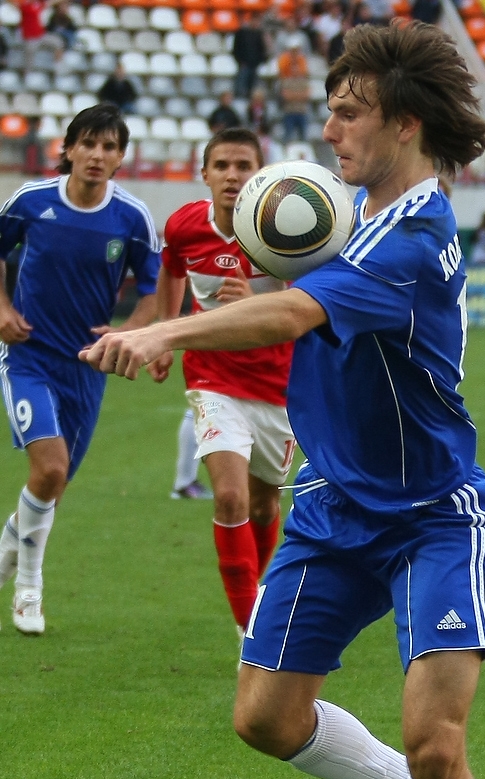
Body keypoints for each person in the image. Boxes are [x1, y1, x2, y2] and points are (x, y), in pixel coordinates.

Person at [80, 22, 485, 779]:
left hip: (436, 514)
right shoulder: (351, 215)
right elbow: (294, 280)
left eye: (349, 114)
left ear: (403, 123)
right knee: (266, 719)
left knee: (437, 742)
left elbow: (298, 308)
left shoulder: (417, 235)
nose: (331, 129)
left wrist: (166, 333)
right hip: (334, 505)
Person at [0, 103, 160, 634]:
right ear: (68, 149)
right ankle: (29, 591)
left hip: (87, 370)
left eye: (109, 146)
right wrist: (2, 308)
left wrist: (128, 333)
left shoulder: (131, 218)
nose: (97, 154)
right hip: (28, 357)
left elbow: (152, 294)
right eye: (88, 143)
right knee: (49, 470)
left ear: (120, 158)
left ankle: (5, 562)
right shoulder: (31, 201)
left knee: (53, 485)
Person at [151, 127, 295, 635]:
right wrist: (164, 335)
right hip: (212, 378)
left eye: (243, 166)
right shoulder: (185, 226)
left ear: (261, 174)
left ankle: (252, 595)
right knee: (230, 498)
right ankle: (249, 631)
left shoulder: (287, 230)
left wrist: (256, 305)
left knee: (264, 506)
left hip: (279, 387)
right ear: (205, 174)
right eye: (222, 166)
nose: (233, 176)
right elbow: (171, 271)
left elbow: (311, 302)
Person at [277, 35, 311, 144]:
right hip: (289, 111)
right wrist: (299, 95)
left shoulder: (303, 79)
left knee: (304, 138)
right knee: (288, 137)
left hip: (301, 111)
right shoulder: (284, 61)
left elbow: (307, 95)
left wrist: (293, 95)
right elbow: (286, 96)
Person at [232, 12, 268, 100]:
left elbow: (263, 50)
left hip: (255, 64)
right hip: (244, 64)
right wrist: (240, 61)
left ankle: (251, 100)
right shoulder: (241, 33)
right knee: (241, 85)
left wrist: (260, 61)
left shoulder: (259, 34)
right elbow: (236, 49)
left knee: (254, 87)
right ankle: (240, 99)